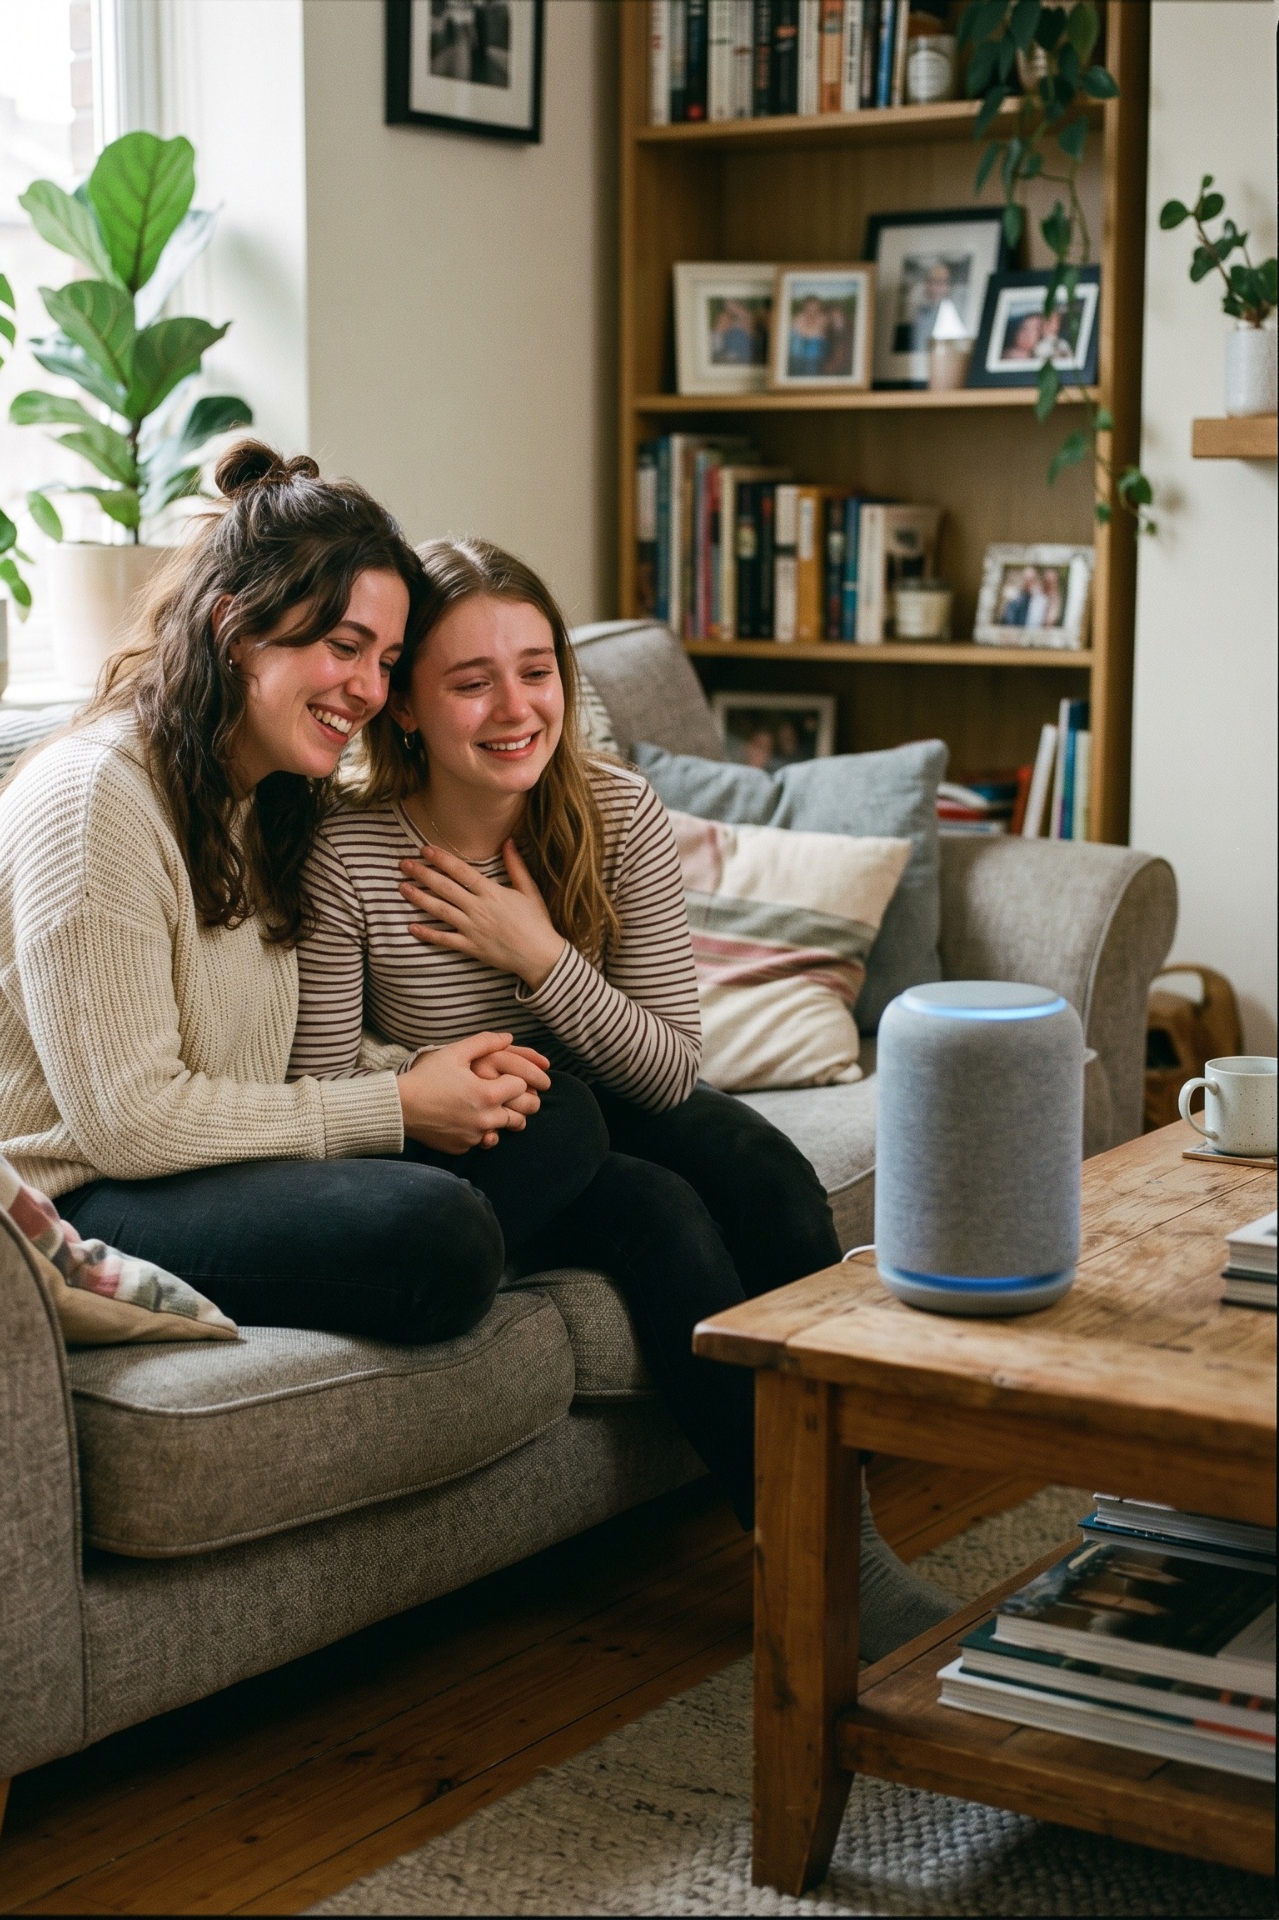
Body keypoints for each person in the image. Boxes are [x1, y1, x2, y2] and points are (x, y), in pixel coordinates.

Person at [290, 535, 955, 1656]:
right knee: (643, 1196)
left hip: (590, 1105)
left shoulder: (613, 812)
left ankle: (831, 1547)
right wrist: (414, 1077)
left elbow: (665, 1067)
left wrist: (537, 953)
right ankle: (819, 1563)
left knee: (748, 1163)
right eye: (470, 680)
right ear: (403, 706)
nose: (516, 707)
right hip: (441, 1156)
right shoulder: (345, 851)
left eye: (537, 668)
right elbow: (312, 1076)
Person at [0, 443, 609, 1345]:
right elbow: (130, 1122)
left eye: (388, 660)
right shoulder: (95, 803)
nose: (367, 690)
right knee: (441, 1233)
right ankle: (425, 1267)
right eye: (343, 646)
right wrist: (396, 1106)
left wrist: (424, 1076)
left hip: (204, 1167)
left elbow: (268, 1055)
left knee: (557, 1117)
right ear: (235, 630)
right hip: (74, 1195)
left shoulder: (267, 796)